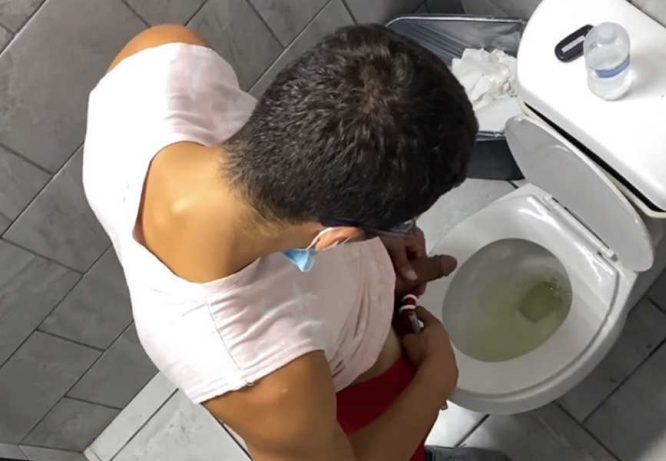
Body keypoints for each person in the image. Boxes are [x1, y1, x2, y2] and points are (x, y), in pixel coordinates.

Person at [83, 22, 509, 461]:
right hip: (357, 389)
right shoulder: (263, 377)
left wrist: (376, 242)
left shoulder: (161, 63)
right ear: (336, 237)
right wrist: (435, 381)